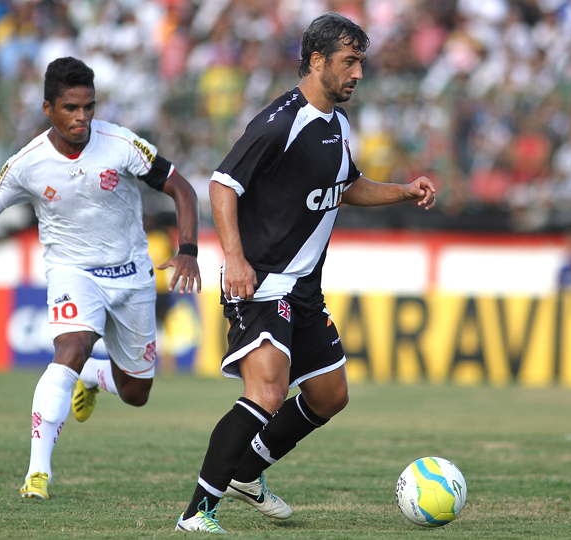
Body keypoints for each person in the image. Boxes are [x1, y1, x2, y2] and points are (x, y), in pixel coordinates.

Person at [175, 12, 436, 533]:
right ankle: (196, 514)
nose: (358, 73)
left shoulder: (337, 124)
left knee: (329, 396)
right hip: (262, 281)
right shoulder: (280, 122)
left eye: (361, 62)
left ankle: (246, 473)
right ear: (317, 61)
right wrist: (234, 259)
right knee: (267, 394)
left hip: (304, 290)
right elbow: (222, 184)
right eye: (350, 62)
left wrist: (403, 191)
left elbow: (347, 186)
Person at [0, 56, 201, 500]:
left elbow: (180, 188)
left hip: (132, 274)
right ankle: (37, 473)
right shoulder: (27, 162)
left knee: (137, 393)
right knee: (70, 347)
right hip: (72, 271)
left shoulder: (120, 144)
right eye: (71, 108)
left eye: (89, 107)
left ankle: (92, 375)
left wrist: (188, 250)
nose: (82, 117)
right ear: (48, 108)